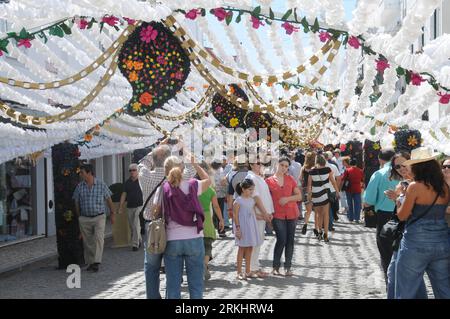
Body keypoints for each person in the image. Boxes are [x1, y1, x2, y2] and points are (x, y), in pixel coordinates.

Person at [387, 147, 450, 299]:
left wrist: (398, 200)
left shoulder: (414, 187)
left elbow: (402, 216)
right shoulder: (444, 187)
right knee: (444, 289)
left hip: (415, 244)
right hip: (442, 243)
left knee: (406, 290)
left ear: (418, 167)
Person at [161, 151, 211, 299]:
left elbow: (157, 211)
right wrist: (195, 164)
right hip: (194, 238)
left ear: (166, 171)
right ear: (182, 169)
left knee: (173, 286)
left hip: (172, 239)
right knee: (196, 285)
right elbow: (208, 180)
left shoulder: (164, 188)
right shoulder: (193, 185)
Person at [138, 143, 171, 299]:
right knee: (172, 264)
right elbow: (192, 169)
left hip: (151, 225)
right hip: (171, 226)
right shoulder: (175, 178)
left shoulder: (145, 176)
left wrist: (153, 151)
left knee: (151, 266)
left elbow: (142, 163)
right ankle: (172, 295)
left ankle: (152, 296)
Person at [362, 148, 397, 282]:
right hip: (406, 214)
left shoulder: (380, 173)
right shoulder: (406, 173)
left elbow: (368, 200)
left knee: (386, 253)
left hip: (385, 216)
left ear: (380, 159)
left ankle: (390, 285)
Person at [73, 164, 114, 273]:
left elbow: (109, 199)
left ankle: (96, 262)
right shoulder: (80, 186)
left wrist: (113, 213)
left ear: (89, 172)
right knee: (88, 242)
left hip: (99, 217)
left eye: (82, 172)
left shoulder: (101, 184)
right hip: (85, 218)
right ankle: (91, 262)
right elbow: (76, 202)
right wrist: (79, 217)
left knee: (98, 238)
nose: (80, 174)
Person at [266, 157, 302, 275]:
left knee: (290, 240)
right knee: (281, 239)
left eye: (286, 166)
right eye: (282, 165)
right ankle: (276, 267)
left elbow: (299, 196)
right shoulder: (269, 181)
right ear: (277, 164)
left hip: (292, 213)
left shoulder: (290, 179)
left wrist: (287, 199)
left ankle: (288, 267)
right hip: (277, 214)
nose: (284, 168)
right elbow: (266, 199)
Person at [233, 179, 267, 280]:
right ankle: (239, 272)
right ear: (243, 189)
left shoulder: (252, 200)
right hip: (242, 226)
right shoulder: (238, 200)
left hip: (251, 226)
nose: (251, 191)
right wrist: (238, 228)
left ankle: (248, 271)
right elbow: (235, 215)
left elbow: (253, 213)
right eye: (249, 189)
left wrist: (263, 216)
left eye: (252, 189)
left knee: (250, 248)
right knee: (241, 248)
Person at [197, 161, 225, 280]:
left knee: (197, 246)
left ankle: (198, 266)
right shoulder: (210, 190)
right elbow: (216, 206)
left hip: (195, 218)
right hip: (207, 218)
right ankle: (205, 264)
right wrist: (221, 219)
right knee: (207, 245)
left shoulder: (192, 187)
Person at [246, 160, 274, 278]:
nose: (260, 165)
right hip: (256, 214)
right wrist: (264, 212)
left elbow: (265, 196)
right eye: (257, 163)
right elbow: (255, 197)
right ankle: (251, 269)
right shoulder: (251, 177)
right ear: (251, 164)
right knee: (254, 242)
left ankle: (255, 267)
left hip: (262, 214)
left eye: (260, 163)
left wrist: (269, 211)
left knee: (258, 242)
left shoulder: (258, 177)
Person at [307, 153, 340, 242]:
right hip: (325, 194)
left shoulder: (312, 171)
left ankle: (319, 232)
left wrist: (309, 197)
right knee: (326, 214)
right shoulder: (328, 169)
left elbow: (309, 185)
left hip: (316, 195)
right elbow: (333, 182)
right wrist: (337, 191)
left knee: (318, 214)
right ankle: (325, 234)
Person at [119, 163, 143, 251]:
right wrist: (120, 207)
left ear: (138, 171)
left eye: (134, 170)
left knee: (136, 223)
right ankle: (139, 239)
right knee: (133, 226)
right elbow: (124, 194)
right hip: (130, 206)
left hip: (140, 206)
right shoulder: (127, 182)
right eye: (130, 170)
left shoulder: (142, 180)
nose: (132, 172)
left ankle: (135, 245)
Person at [341, 158, 364, 223]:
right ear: (356, 164)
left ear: (350, 163)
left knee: (349, 203)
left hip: (349, 188)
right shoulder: (360, 170)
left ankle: (350, 218)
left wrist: (341, 187)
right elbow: (362, 180)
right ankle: (357, 218)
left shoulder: (347, 170)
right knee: (357, 204)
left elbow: (343, 179)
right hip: (357, 189)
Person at [300, 152, 316, 235]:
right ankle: (316, 228)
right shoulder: (315, 168)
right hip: (315, 190)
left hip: (306, 189)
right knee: (316, 210)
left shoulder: (303, 168)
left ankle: (305, 224)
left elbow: (300, 179)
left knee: (308, 210)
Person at [288, 151, 303, 219]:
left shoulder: (288, 165)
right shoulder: (298, 164)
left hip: (291, 184)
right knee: (299, 199)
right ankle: (299, 214)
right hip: (298, 183)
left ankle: (294, 213)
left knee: (293, 200)